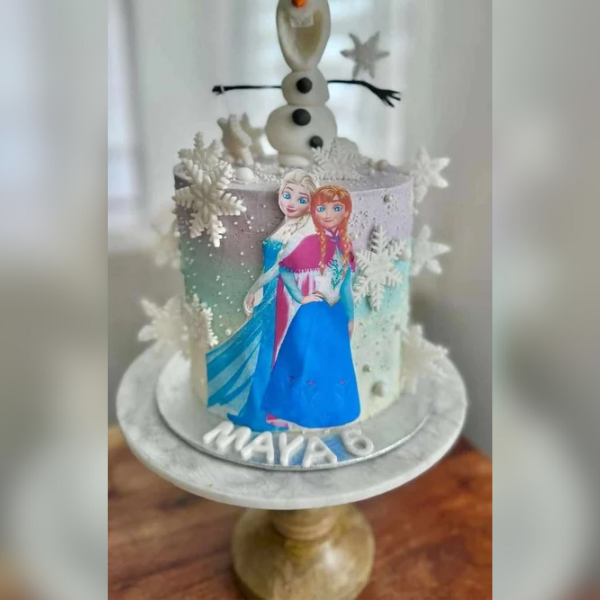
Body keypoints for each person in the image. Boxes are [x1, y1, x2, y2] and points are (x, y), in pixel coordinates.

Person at [206, 170, 318, 431]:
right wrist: (258, 291)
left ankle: (268, 415)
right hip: (268, 296)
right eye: (287, 195)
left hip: (280, 300)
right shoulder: (287, 225)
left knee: (269, 353)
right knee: (259, 354)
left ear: (311, 203)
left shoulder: (302, 232)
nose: (291, 203)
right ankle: (254, 410)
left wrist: (254, 289)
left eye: (302, 199)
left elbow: (281, 268)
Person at [261, 185, 361, 429]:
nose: (328, 214)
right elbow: (285, 270)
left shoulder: (345, 245)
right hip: (312, 313)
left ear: (346, 212)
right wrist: (300, 296)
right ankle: (294, 413)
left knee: (332, 362)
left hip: (335, 315)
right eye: (321, 208)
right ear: (314, 211)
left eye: (336, 208)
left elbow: (346, 286)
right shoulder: (308, 241)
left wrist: (350, 316)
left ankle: (331, 413)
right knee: (304, 360)